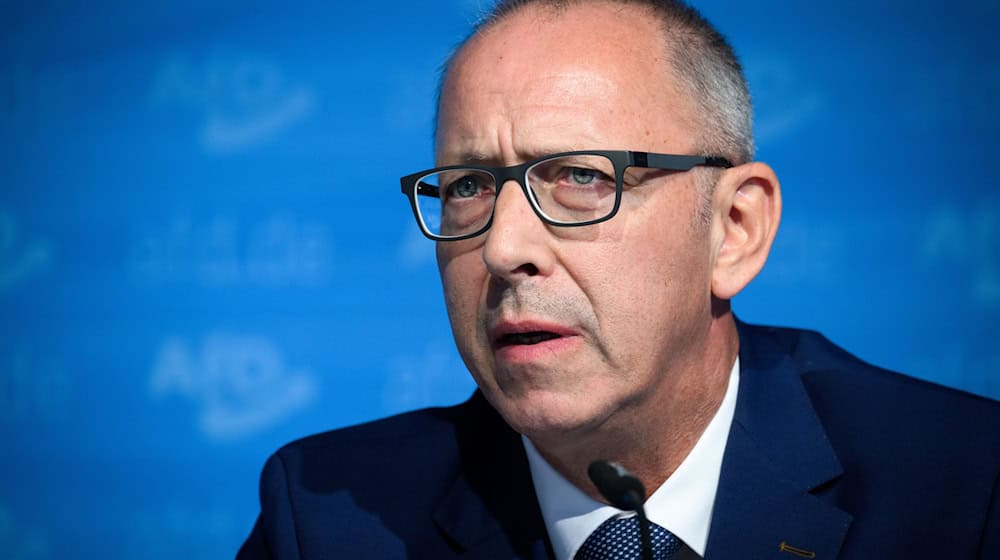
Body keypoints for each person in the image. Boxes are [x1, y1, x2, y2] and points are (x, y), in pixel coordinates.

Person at [237, 1, 1000, 558]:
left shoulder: (961, 489)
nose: (504, 249)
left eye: (577, 176)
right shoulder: (328, 517)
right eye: (468, 186)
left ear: (734, 230)